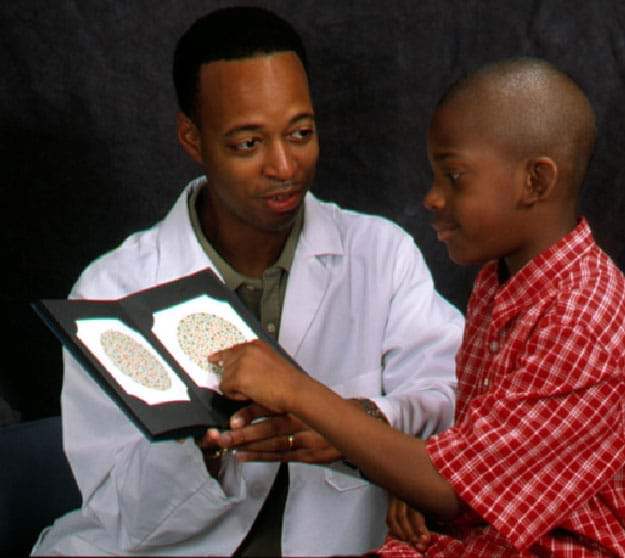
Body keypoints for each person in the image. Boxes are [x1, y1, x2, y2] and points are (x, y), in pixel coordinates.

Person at [31, 6, 463, 557]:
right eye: (248, 144)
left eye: (300, 133)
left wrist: (358, 421)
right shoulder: (113, 289)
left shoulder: (379, 253)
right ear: (193, 138)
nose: (284, 166)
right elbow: (118, 514)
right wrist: (206, 449)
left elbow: (456, 398)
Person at [215, 57, 625, 557]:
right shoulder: (499, 283)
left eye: (455, 177)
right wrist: (420, 474)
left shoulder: (582, 318)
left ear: (535, 182)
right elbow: (479, 451)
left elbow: (453, 491)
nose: (431, 198)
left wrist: (296, 390)